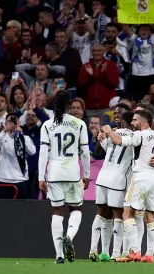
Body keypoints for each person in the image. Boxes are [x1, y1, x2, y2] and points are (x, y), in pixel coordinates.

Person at [101, 109, 154, 263]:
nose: (132, 123)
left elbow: (119, 141)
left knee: (127, 213)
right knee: (151, 215)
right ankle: (149, 255)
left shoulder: (139, 135)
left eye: (135, 120)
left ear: (144, 122)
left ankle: (135, 251)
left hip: (140, 178)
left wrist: (109, 131)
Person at [38, 90, 91, 264]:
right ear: (69, 105)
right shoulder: (79, 123)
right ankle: (69, 236)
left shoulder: (47, 125)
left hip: (53, 173)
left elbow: (43, 154)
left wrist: (41, 177)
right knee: (76, 209)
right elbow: (84, 152)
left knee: (57, 211)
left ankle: (59, 255)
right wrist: (87, 175)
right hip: (72, 172)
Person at [89, 110, 133, 262]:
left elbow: (102, 151)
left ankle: (96, 249)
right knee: (117, 215)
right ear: (131, 122)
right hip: (117, 180)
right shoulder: (134, 136)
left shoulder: (113, 133)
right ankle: (115, 252)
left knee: (101, 213)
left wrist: (102, 138)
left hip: (102, 177)